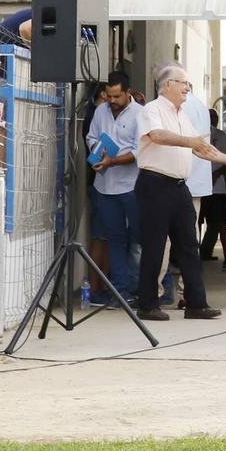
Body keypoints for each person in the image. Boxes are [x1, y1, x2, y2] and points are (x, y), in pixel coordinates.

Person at [133, 64, 226, 320]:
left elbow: (201, 148)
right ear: (168, 85)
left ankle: (196, 303)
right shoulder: (151, 110)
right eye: (183, 83)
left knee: (190, 246)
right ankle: (147, 305)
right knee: (155, 246)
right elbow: (157, 136)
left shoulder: (182, 115)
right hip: (154, 185)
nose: (187, 88)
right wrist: (190, 141)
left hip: (179, 187)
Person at [87, 71, 144, 304]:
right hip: (105, 186)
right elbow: (91, 136)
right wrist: (97, 150)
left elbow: (141, 151)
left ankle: (152, 286)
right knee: (115, 240)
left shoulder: (141, 114)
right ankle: (121, 291)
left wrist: (113, 160)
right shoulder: (101, 111)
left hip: (131, 186)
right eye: (109, 96)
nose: (112, 101)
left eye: (117, 96)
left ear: (127, 93)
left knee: (142, 238)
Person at [198, 110, 226, 272]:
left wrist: (217, 173)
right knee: (195, 223)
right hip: (197, 188)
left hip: (216, 189)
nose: (214, 120)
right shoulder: (195, 135)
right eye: (211, 118)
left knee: (222, 223)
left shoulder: (220, 136)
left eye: (216, 118)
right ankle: (194, 257)